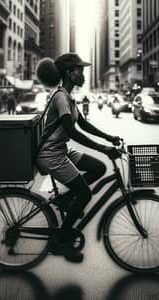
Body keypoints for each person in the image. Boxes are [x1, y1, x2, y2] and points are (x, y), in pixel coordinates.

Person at [35, 53, 121, 262]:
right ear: (69, 73)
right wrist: (103, 148)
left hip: (61, 151)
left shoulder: (68, 96)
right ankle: (61, 241)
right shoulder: (61, 97)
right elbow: (72, 132)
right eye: (79, 70)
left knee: (98, 168)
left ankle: (65, 198)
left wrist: (108, 138)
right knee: (84, 194)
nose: (83, 74)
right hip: (51, 154)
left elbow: (83, 124)